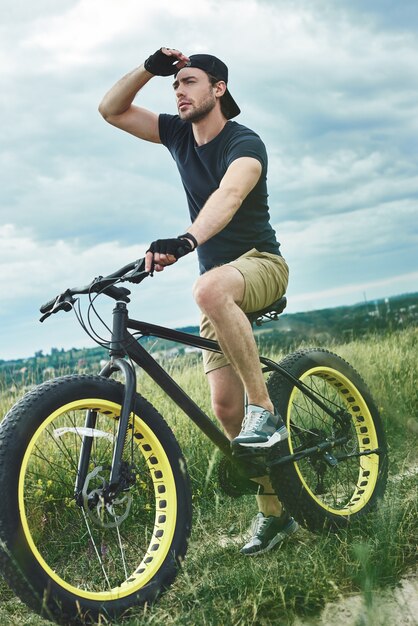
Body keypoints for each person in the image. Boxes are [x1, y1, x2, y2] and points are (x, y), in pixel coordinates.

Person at [99, 47, 298, 555]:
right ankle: (276, 515)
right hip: (219, 285)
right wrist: (149, 68)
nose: (179, 91)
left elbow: (229, 198)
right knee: (224, 409)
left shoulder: (245, 142)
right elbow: (111, 109)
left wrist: (187, 241)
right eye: (175, 85)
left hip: (261, 265)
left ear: (219, 89)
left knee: (207, 287)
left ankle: (267, 411)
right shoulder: (177, 135)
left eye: (189, 81)